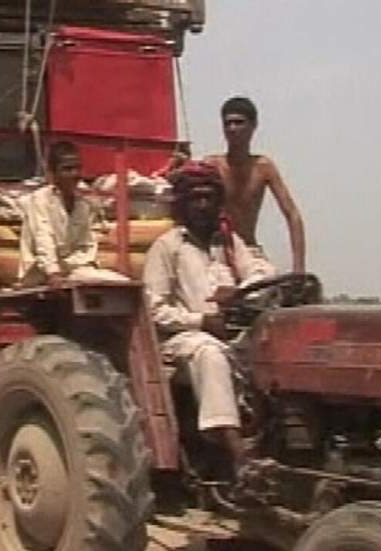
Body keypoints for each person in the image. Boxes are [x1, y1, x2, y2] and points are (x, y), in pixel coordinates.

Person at [142, 161, 275, 472]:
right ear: (183, 205)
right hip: (182, 341)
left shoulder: (228, 242)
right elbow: (154, 310)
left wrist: (240, 289)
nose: (203, 205)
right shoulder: (168, 247)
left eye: (209, 198)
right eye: (195, 198)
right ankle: (237, 455)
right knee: (210, 353)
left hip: (232, 335)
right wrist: (201, 321)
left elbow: (262, 272)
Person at [204, 96, 306, 273]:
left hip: (249, 250)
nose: (232, 128)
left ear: (253, 126)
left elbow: (292, 215)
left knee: (265, 286)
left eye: (239, 122)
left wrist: (299, 269)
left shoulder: (264, 168)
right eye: (227, 123)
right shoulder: (211, 165)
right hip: (217, 250)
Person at [18, 141, 128, 287]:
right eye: (67, 169)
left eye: (77, 168)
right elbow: (43, 239)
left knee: (120, 283)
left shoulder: (84, 205)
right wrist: (53, 273)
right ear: (53, 174)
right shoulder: (40, 200)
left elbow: (87, 245)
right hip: (39, 274)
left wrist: (82, 266)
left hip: (72, 272)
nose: (74, 174)